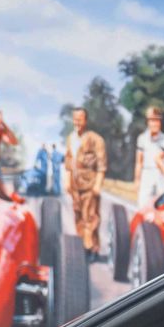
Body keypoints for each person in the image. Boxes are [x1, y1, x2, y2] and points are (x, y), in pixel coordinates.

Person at [64, 107, 107, 261]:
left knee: (90, 217)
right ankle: (83, 247)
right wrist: (67, 181)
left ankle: (92, 249)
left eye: (80, 119)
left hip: (90, 184)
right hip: (75, 185)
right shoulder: (71, 138)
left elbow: (101, 165)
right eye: (75, 119)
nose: (77, 122)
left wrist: (98, 185)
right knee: (78, 217)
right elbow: (68, 161)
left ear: (86, 121)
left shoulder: (96, 139)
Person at [134, 107, 164, 210]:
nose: (155, 124)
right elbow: (139, 162)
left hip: (161, 175)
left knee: (161, 206)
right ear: (148, 122)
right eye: (152, 120)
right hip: (147, 173)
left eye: (157, 120)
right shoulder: (142, 138)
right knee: (143, 205)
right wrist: (137, 180)